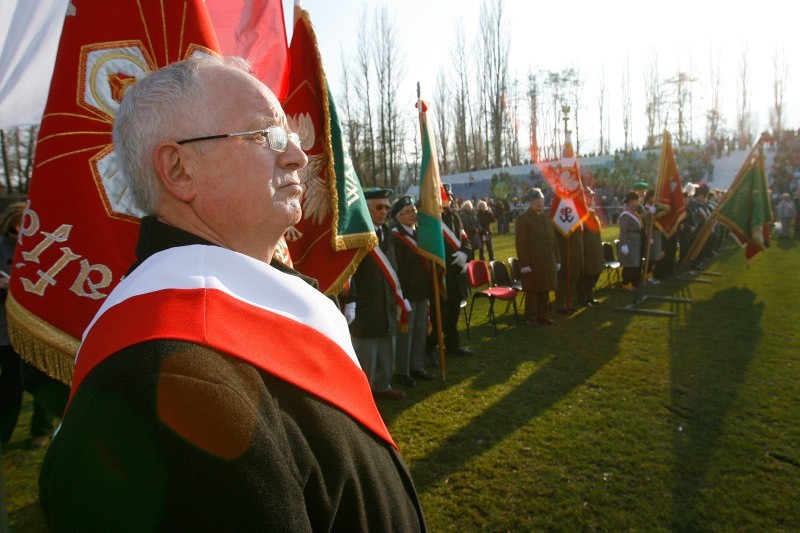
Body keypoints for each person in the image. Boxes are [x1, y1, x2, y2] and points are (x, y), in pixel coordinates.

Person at [39, 56, 426, 531]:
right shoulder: (160, 386)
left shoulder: (250, 312)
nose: (298, 157)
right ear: (179, 171)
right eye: (266, 136)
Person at [0, 202, 59, 449]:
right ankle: (4, 432)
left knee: (41, 384)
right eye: (14, 230)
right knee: (10, 385)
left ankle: (41, 431)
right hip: (6, 330)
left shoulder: (49, 246)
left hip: (37, 328)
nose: (19, 235)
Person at [348, 188, 407, 400]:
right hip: (366, 306)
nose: (384, 212)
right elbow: (349, 274)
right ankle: (365, 395)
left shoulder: (388, 234)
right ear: (367, 208)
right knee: (366, 355)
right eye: (379, 207)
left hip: (387, 304)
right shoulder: (357, 236)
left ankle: (383, 386)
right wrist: (352, 302)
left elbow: (395, 268)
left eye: (387, 208)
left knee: (385, 351)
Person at [391, 196, 435, 387]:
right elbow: (395, 268)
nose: (412, 215)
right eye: (407, 212)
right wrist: (401, 296)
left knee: (420, 329)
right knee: (405, 333)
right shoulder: (395, 237)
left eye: (413, 211)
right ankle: (403, 370)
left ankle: (417, 365)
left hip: (423, 290)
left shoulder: (421, 233)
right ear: (398, 217)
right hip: (406, 293)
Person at [428, 184, 474, 357]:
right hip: (441, 274)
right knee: (439, 316)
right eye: (446, 196)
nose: (450, 199)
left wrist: (464, 253)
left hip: (457, 274)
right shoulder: (431, 219)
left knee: (453, 313)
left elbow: (465, 239)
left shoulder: (455, 217)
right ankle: (431, 349)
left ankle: (453, 345)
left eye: (450, 196)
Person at [515, 189, 559, 327]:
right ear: (530, 203)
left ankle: (543, 315)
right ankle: (531, 317)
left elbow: (553, 240)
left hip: (548, 259)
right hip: (533, 261)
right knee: (533, 290)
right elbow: (521, 243)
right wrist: (525, 264)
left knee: (545, 288)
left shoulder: (546, 217)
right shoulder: (523, 219)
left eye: (541, 200)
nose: (539, 203)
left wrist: (557, 259)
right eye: (536, 201)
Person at [577, 187, 603, 306]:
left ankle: (589, 295)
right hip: (586, 247)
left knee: (595, 272)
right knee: (586, 273)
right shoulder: (579, 212)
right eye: (589, 196)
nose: (592, 198)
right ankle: (583, 297)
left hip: (595, 247)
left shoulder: (592, 211)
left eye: (593, 196)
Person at [618, 191, 643, 291]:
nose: (638, 201)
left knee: (634, 263)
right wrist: (623, 244)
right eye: (637, 200)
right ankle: (626, 284)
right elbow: (623, 229)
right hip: (629, 241)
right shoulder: (626, 213)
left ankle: (633, 283)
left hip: (635, 240)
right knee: (629, 264)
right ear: (631, 201)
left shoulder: (633, 212)